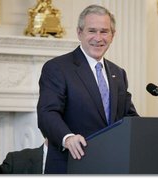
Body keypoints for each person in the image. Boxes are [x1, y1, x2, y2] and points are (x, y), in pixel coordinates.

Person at [37, 4, 139, 174]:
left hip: (110, 165)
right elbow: (47, 113)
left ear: (113, 35)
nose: (98, 38)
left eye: (104, 31)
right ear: (79, 33)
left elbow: (128, 117)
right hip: (71, 164)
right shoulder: (57, 68)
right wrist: (67, 138)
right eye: (92, 31)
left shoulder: (118, 73)